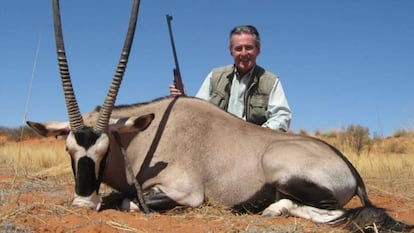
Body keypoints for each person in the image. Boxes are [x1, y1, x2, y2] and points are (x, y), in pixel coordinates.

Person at [169, 25, 291, 132]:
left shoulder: (270, 80)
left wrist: (256, 135)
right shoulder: (215, 75)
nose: (243, 53)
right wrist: (185, 99)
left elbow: (282, 116)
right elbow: (199, 110)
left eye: (248, 47)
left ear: (258, 50)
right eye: (238, 48)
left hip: (254, 146)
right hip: (217, 141)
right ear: (231, 51)